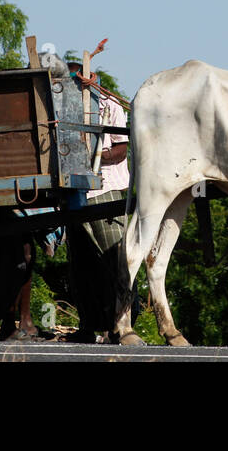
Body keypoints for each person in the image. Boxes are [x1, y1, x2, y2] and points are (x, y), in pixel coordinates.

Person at [66, 63, 130, 343]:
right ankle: (87, 325)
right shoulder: (60, 107)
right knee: (81, 264)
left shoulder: (109, 104)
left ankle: (122, 325)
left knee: (117, 260)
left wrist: (97, 155)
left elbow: (121, 149)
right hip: (71, 192)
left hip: (106, 190)